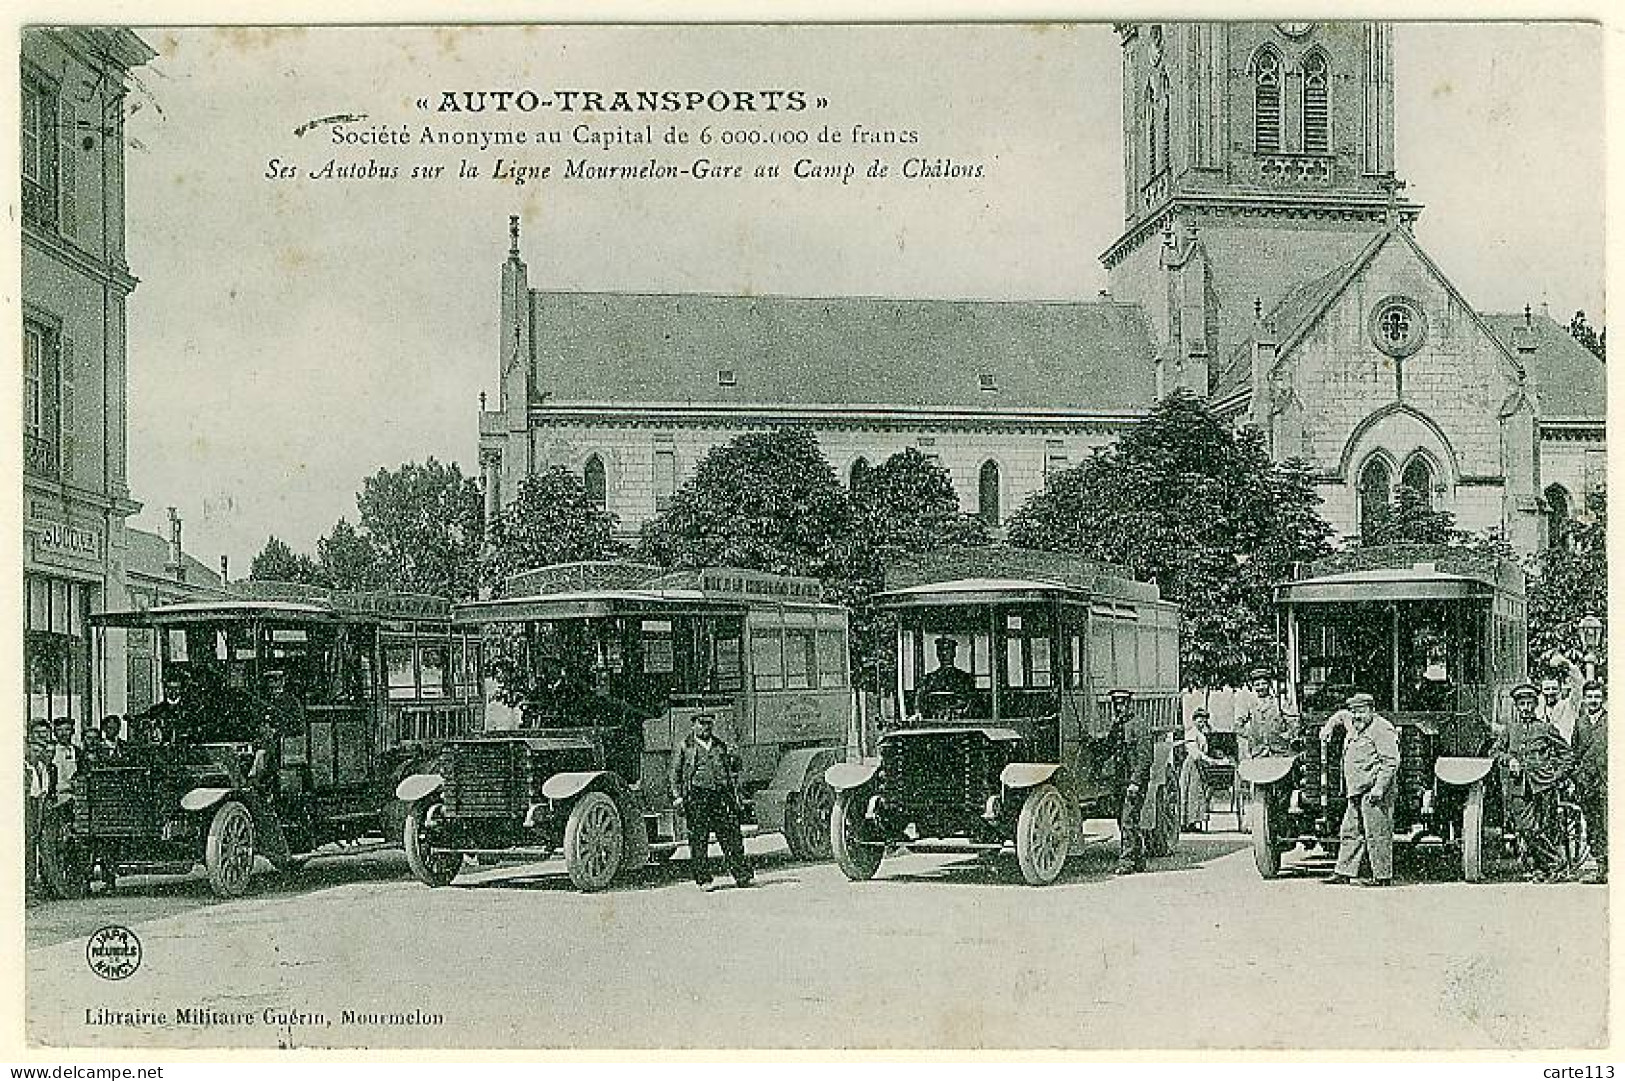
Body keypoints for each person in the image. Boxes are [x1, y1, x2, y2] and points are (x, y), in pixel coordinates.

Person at [1495, 681, 1574, 882]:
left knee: (1544, 827)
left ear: (1535, 704)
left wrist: (1556, 775)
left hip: (1543, 785)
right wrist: (1509, 760)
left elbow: (1567, 755)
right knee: (1525, 828)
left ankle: (1542, 869)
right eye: (1522, 704)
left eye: (1530, 703)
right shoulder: (1510, 730)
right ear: (1517, 706)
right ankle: (1557, 863)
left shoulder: (1545, 728)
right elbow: (1494, 751)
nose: (1526, 708)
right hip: (1519, 786)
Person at [1320, 692, 1401, 887]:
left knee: (1377, 832)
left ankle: (1381, 877)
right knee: (1350, 831)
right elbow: (1340, 715)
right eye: (1354, 711)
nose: (1356, 716)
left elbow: (1390, 762)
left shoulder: (1382, 728)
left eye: (1362, 711)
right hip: (1356, 789)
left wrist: (1379, 789)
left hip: (1373, 790)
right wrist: (1328, 726)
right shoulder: (1353, 723)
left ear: (1372, 711)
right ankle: (1344, 871)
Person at [669, 713, 753, 889]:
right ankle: (704, 879)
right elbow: (674, 774)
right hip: (697, 796)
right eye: (701, 724)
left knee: (731, 836)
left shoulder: (720, 745)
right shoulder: (686, 746)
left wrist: (734, 757)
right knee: (699, 839)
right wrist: (677, 797)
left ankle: (741, 875)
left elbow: (734, 770)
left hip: (721, 795)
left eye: (709, 724)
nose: (705, 727)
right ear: (693, 725)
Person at [1109, 689, 1156, 875]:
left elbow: (1145, 757)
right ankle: (1139, 858)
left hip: (1135, 780)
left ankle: (1126, 862)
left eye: (1122, 704)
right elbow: (1108, 747)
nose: (1119, 708)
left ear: (1129, 704)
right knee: (1125, 820)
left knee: (1128, 819)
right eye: (1116, 704)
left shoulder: (1139, 725)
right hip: (1121, 779)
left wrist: (1135, 782)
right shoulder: (1118, 726)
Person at [1568, 680, 1607, 884]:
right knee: (1593, 825)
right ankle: (1601, 868)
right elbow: (1574, 753)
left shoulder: (1611, 721)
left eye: (1597, 696)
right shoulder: (1580, 723)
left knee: (1610, 823)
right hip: (1587, 783)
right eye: (1590, 696)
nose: (1593, 701)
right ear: (1584, 699)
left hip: (1607, 782)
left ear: (1603, 699)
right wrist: (1575, 779)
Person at [1177, 707, 1227, 832]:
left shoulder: (1202, 734)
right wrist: (1210, 760)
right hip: (1192, 764)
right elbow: (1195, 752)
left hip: (1199, 766)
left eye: (1204, 720)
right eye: (1199, 720)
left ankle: (1193, 822)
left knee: (1198, 793)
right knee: (1189, 792)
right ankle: (1185, 823)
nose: (1202, 723)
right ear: (1194, 720)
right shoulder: (1191, 733)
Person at [1236, 667, 1295, 759]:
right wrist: (1251, 735)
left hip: (1279, 752)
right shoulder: (1251, 704)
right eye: (1257, 685)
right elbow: (1238, 725)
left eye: (1264, 684)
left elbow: (1293, 722)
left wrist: (1286, 735)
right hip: (1258, 752)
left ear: (1269, 684)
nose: (1260, 687)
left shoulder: (1278, 702)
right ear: (1253, 686)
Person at [24, 722, 55, 900]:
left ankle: (33, 886)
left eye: (40, 752)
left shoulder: (43, 769)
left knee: (34, 847)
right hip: (29, 809)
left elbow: (43, 793)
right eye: (34, 751)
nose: (37, 754)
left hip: (38, 809)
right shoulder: (25, 769)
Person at [917, 636, 977, 707]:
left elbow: (971, 702)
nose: (944, 653)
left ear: (954, 653)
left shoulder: (965, 678)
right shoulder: (929, 679)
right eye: (940, 650)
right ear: (937, 654)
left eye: (947, 650)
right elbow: (921, 701)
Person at [1538, 652, 1585, 744]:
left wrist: (1566, 663)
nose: (1550, 692)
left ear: (1560, 690)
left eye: (1554, 689)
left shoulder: (1569, 706)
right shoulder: (1538, 709)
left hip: (1565, 752)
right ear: (1542, 690)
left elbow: (1579, 684)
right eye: (1547, 689)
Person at [50, 717, 79, 801]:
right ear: (54, 733)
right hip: (55, 796)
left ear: (72, 732)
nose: (64, 733)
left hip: (74, 796)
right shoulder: (50, 751)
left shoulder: (77, 752)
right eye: (59, 730)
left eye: (67, 729)